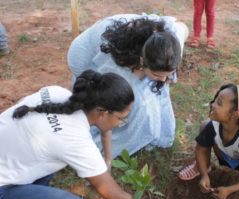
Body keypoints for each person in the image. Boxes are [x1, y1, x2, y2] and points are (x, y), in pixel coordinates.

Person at [0, 70, 181, 199]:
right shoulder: (76, 142)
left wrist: (107, 158)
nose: (121, 123)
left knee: (50, 154)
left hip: (8, 159)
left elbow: (104, 127)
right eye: (121, 118)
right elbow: (118, 198)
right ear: (102, 112)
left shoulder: (57, 94)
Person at [67, 13, 189, 161]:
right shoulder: (116, 69)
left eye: (168, 74)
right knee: (125, 101)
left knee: (146, 94)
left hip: (132, 55)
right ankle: (93, 140)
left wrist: (163, 76)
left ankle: (152, 131)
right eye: (157, 75)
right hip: (85, 55)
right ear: (142, 62)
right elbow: (106, 99)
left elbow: (183, 28)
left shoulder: (170, 46)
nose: (164, 79)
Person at [178, 83, 239, 199]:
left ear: (235, 114)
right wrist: (204, 175)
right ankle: (203, 166)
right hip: (229, 158)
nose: (212, 104)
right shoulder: (214, 125)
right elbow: (201, 149)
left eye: (219, 103)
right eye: (215, 100)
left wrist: (230, 189)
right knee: (205, 126)